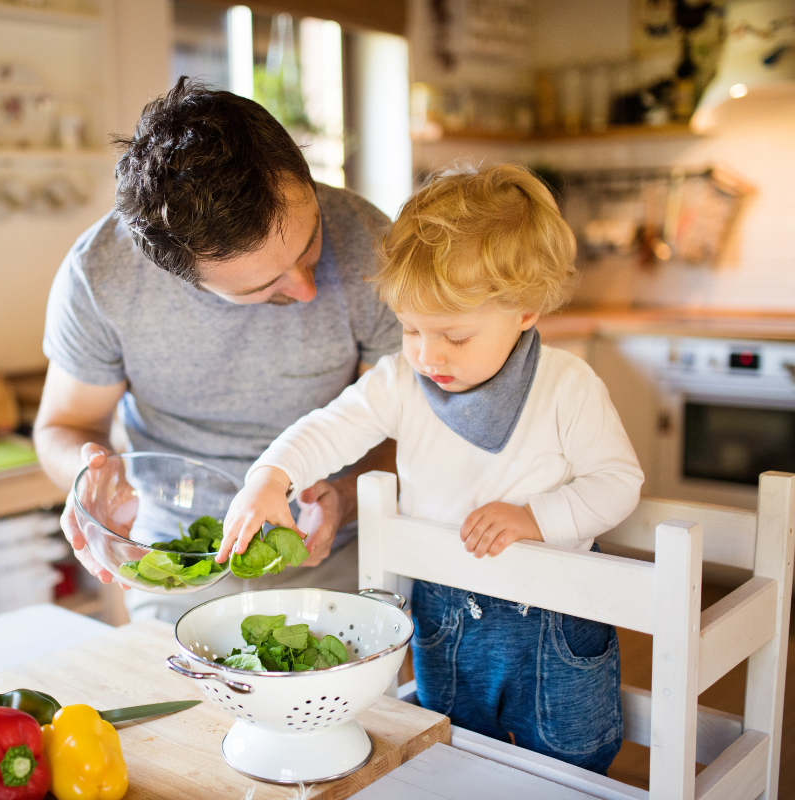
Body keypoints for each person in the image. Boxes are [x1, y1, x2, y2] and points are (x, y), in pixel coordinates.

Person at [215, 163, 645, 774]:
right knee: (453, 753)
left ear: (523, 310)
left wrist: (536, 518)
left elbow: (618, 483)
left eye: (454, 336)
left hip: (554, 620)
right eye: (411, 328)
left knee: (572, 762)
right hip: (445, 614)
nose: (427, 353)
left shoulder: (567, 386)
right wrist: (272, 475)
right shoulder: (401, 380)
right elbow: (331, 427)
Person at [33, 78, 400, 623]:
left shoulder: (372, 243)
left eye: (310, 243)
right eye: (262, 288)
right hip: (177, 562)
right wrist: (91, 479)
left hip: (340, 553)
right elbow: (64, 424)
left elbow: (407, 422)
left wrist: (345, 496)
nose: (306, 290)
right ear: (179, 275)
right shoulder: (101, 274)